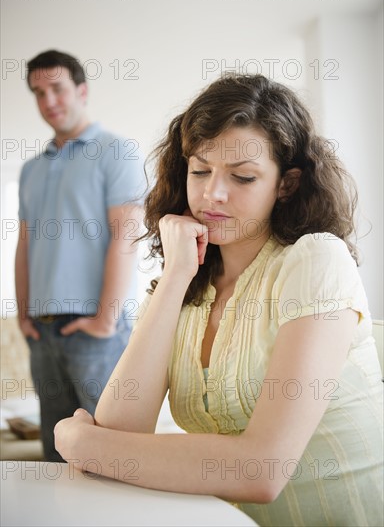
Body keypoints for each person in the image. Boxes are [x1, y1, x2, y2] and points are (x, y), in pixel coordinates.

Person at [54, 74, 383, 526]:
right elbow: (121, 432)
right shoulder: (184, 282)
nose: (213, 195)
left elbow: (261, 470)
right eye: (200, 170)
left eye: (243, 177)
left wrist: (81, 445)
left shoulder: (315, 260)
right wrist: (174, 277)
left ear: (285, 185)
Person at [15, 50, 146, 462]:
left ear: (82, 90)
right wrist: (22, 315)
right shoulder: (32, 169)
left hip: (95, 329)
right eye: (39, 92)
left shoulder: (116, 151)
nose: (48, 101)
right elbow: (25, 244)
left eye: (57, 88)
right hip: (42, 330)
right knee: (56, 453)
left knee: (108, 454)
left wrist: (105, 318)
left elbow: (126, 236)